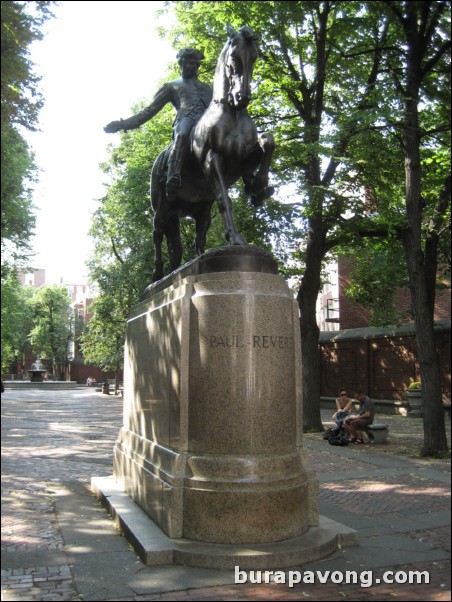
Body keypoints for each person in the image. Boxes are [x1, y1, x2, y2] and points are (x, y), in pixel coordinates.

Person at [104, 48, 213, 198]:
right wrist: (123, 124)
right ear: (181, 64)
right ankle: (173, 174)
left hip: (207, 124)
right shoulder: (171, 86)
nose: (190, 66)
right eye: (187, 63)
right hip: (187, 118)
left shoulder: (208, 89)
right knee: (182, 134)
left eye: (194, 63)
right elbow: (149, 111)